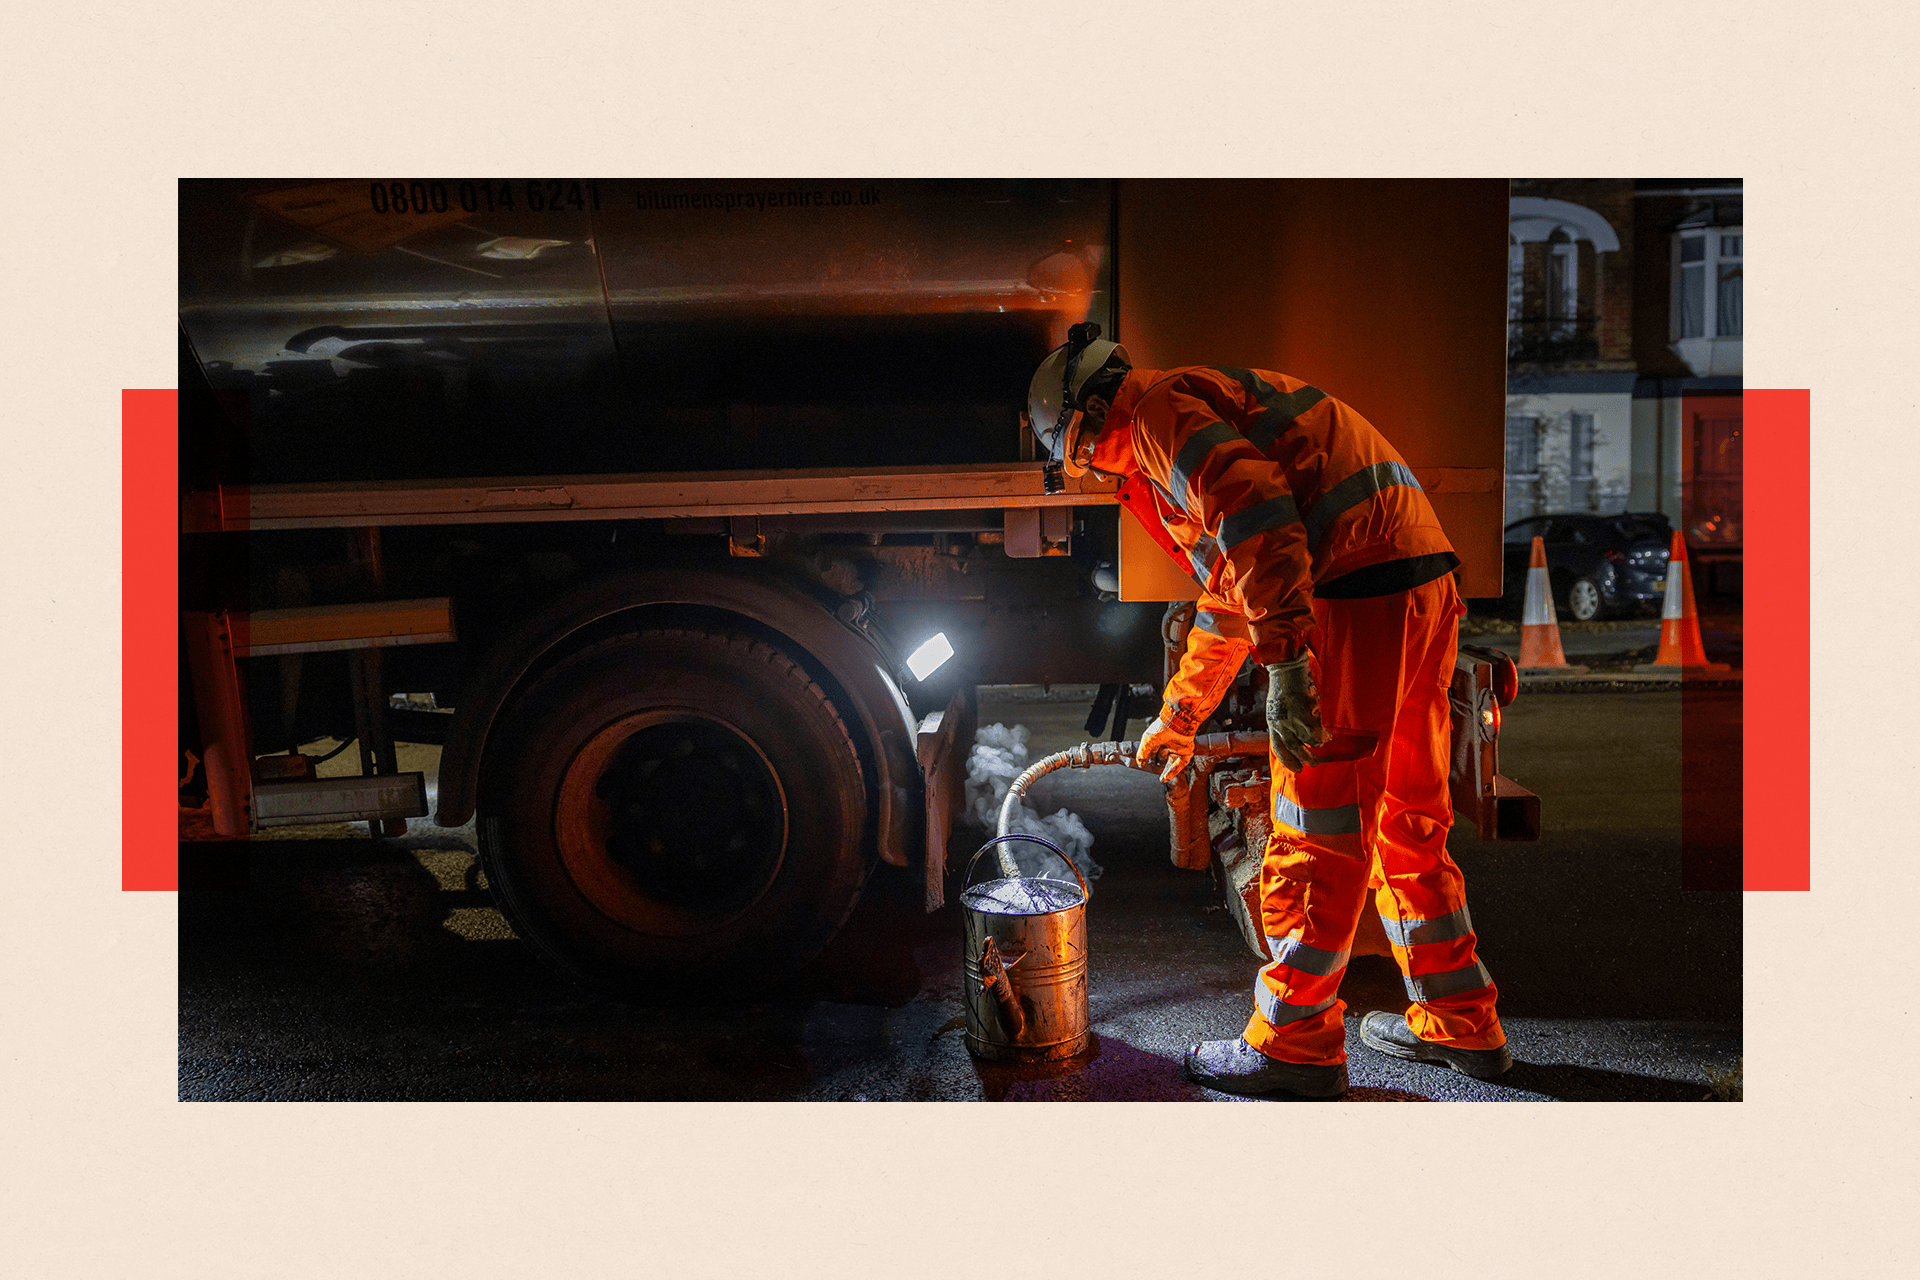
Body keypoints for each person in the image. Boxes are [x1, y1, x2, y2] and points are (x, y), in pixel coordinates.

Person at [1025, 324, 1511, 1098]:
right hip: (1413, 585)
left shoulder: (1153, 416)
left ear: (1082, 423)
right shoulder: (1190, 405)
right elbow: (1230, 588)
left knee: (1317, 827)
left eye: (1075, 456)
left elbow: (1259, 523)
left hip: (1355, 597)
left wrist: (1287, 664)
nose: (1084, 473)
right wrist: (1181, 715)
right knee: (1406, 817)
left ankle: (1293, 1045)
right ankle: (1461, 1023)